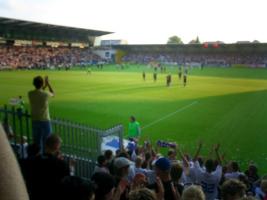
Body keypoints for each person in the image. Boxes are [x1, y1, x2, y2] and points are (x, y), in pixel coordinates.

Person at [28, 75, 54, 153]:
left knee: (37, 141)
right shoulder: (45, 94)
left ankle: (37, 157)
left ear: (33, 83)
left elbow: (39, 91)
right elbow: (53, 93)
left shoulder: (30, 93)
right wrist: (48, 84)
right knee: (47, 141)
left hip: (35, 120)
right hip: (45, 120)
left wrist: (44, 85)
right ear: (42, 84)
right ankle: (45, 158)